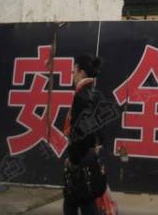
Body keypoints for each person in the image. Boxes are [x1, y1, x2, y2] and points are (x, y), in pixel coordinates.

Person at [63, 53, 107, 215]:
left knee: (80, 202)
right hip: (93, 156)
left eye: (74, 71)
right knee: (79, 200)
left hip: (81, 158)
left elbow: (81, 134)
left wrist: (73, 160)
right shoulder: (98, 94)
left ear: (81, 72)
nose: (72, 75)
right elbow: (100, 130)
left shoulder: (81, 97)